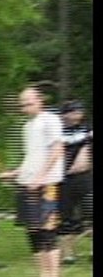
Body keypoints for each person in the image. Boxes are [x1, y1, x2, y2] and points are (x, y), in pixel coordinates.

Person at [0, 86, 65, 277]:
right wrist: (15, 173)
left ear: (40, 101)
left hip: (47, 184)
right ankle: (43, 274)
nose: (26, 107)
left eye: (30, 102)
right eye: (23, 104)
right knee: (32, 229)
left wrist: (42, 177)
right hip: (27, 183)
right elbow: (31, 157)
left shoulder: (50, 120)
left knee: (48, 229)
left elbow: (57, 149)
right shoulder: (27, 127)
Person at [57, 100, 93, 264]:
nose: (77, 114)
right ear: (65, 114)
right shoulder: (57, 132)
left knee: (90, 212)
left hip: (84, 178)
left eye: (79, 111)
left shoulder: (88, 130)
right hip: (63, 179)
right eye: (73, 111)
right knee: (66, 216)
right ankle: (68, 254)